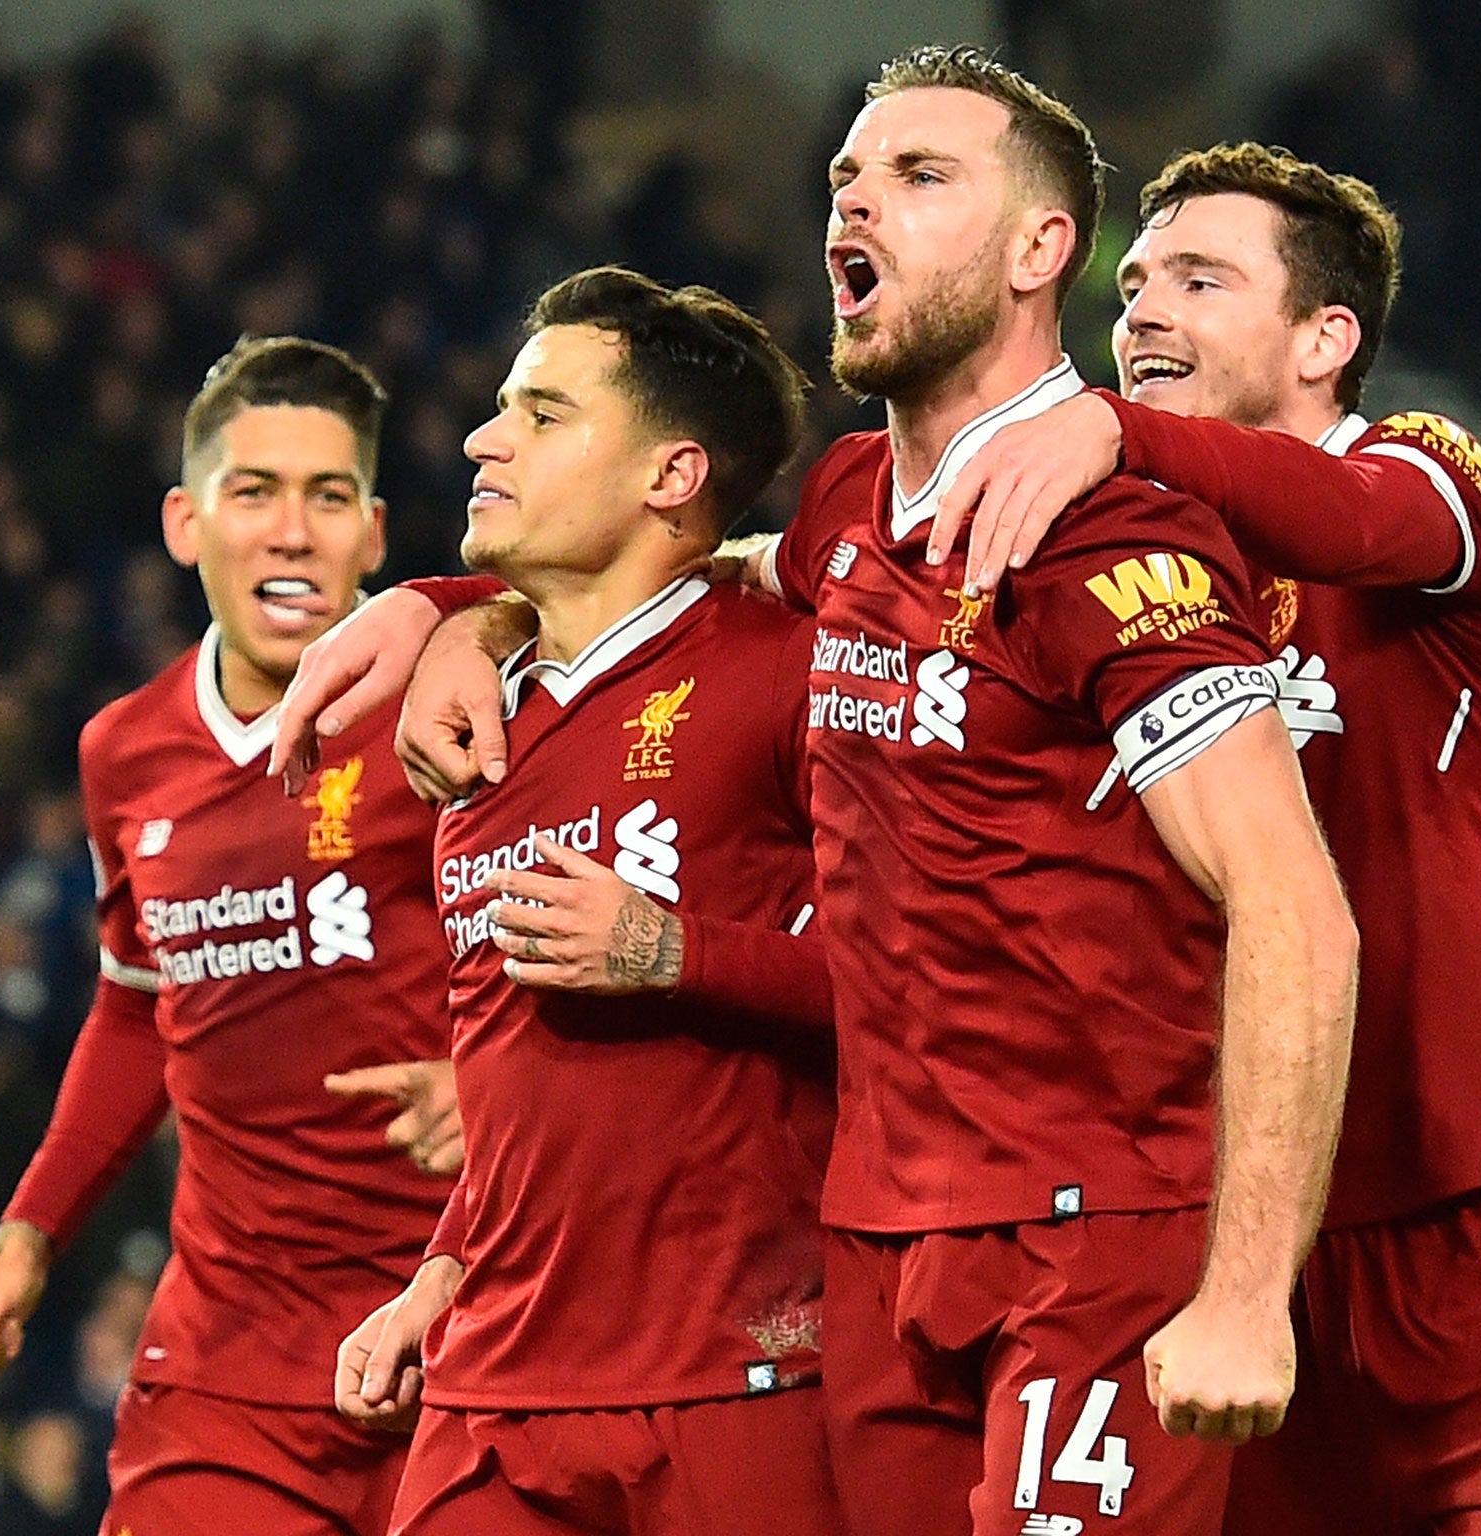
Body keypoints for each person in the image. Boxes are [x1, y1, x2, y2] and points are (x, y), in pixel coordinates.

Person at [284, 50, 1360, 1536]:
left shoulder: (1109, 533)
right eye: (848, 178)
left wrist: (1247, 1295)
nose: (858, 203)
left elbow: (1297, 906)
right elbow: (687, 570)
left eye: (923, 179)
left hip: (1096, 1233)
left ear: (1042, 250)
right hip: (877, 1256)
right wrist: (466, 609)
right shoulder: (856, 507)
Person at [925, 142, 1481, 1536]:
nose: (1141, 312)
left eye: (1202, 281)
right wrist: (466, 606)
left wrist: (1118, 432)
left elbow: (1364, 518)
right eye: (1133, 282)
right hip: (1239, 1242)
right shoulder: (1130, 569)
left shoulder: (1421, 475)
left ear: (1328, 338)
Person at [0, 336, 499, 1535]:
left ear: (372, 535)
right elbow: (135, 1004)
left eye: (327, 498)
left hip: (466, 1335)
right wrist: (24, 1242)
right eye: (252, 493)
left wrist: (500, 1081)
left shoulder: (456, 696)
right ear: (183, 523)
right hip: (230, 1369)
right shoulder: (124, 754)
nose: (291, 532)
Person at [332, 266, 842, 1536]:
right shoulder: (467, 735)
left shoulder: (792, 675)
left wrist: (678, 951)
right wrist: (441, 1268)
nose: (481, 437)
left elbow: (928, 982)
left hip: (737, 1372)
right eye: (504, 406)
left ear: (672, 477)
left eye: (544, 415)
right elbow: (520, 1078)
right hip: (492, 1386)